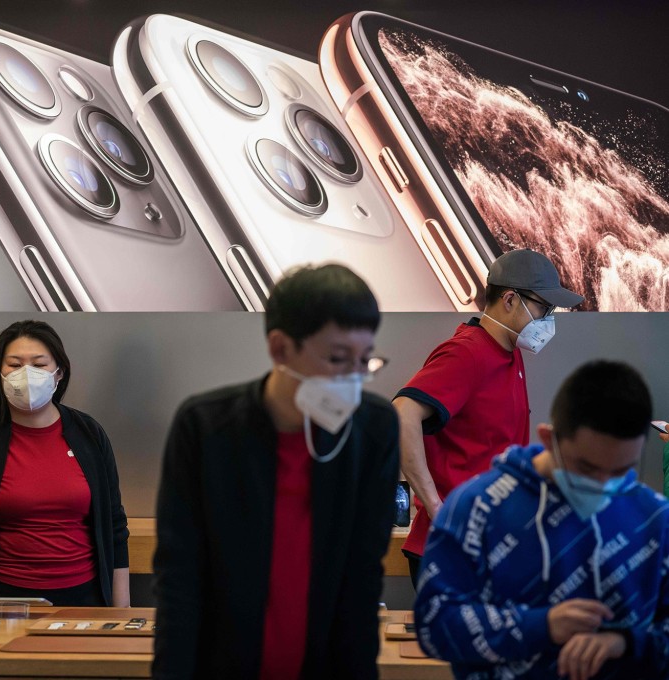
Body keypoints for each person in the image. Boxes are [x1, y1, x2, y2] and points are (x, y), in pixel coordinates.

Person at [152, 264, 399, 680]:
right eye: (338, 359)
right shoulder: (206, 427)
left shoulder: (374, 430)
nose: (354, 381)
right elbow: (180, 577)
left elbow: (362, 577)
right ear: (281, 348)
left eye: (364, 361)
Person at [414, 360, 669, 679]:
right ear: (549, 439)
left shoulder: (654, 518)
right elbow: (434, 626)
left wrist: (627, 643)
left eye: (620, 471)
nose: (603, 484)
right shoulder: (477, 507)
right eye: (587, 468)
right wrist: (541, 626)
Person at [393, 249, 584, 584]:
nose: (548, 319)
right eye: (544, 307)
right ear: (509, 299)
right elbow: (402, 413)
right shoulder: (467, 353)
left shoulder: (509, 353)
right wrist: (437, 508)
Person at [0, 320, 129, 607]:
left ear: (59, 372)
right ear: (0, 372)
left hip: (86, 600)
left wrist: (121, 611)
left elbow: (115, 525)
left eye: (39, 364)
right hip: (1, 601)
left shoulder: (89, 434)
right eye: (15, 365)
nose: (26, 374)